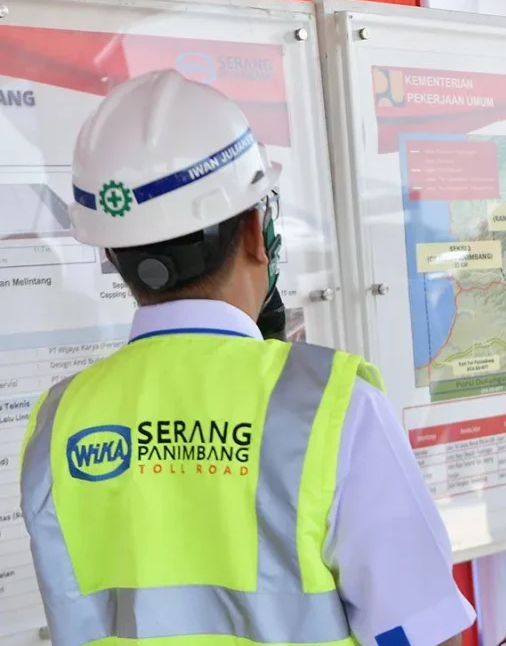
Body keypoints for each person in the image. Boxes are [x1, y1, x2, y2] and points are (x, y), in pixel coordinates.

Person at [18, 71, 475, 646]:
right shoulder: (332, 409)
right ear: (259, 231)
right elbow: (418, 630)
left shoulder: (58, 421)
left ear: (112, 252)